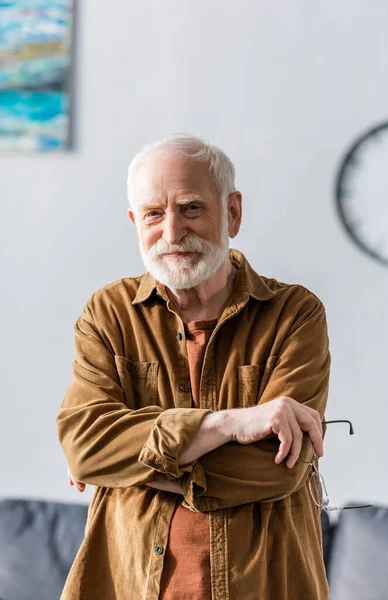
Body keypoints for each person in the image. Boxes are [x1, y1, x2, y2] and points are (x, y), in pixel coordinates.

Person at [56, 133, 330, 600]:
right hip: (126, 586)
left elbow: (279, 466)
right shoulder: (108, 313)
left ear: (233, 212)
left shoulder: (295, 314)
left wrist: (129, 462)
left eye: (191, 208)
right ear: (134, 222)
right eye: (153, 214)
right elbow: (84, 446)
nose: (171, 233)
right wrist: (230, 423)